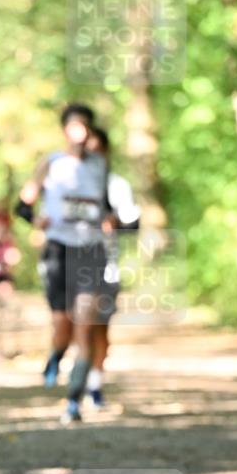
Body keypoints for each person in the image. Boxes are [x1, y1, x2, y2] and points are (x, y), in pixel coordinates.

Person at [16, 103, 113, 424]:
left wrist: (111, 217)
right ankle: (56, 355)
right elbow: (22, 205)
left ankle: (73, 401)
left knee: (85, 327)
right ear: (65, 131)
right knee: (63, 328)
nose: (80, 132)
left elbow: (104, 204)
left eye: (85, 126)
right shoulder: (51, 163)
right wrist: (36, 220)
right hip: (58, 249)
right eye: (74, 126)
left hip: (91, 251)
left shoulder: (100, 164)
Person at [85, 126, 140, 406]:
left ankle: (94, 385)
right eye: (88, 152)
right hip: (70, 266)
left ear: (106, 153)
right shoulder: (67, 184)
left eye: (98, 151)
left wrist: (115, 222)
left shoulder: (118, 185)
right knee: (79, 326)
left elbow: (134, 224)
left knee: (99, 328)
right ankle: (80, 380)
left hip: (106, 268)